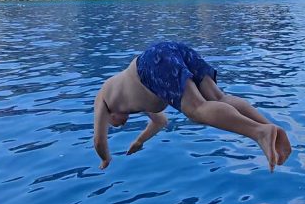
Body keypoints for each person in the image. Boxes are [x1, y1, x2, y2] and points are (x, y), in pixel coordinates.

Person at [93, 42, 292, 171]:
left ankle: (259, 133)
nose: (122, 123)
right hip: (170, 50)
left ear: (109, 117)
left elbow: (99, 141)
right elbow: (160, 121)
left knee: (197, 110)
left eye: (115, 124)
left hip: (151, 63)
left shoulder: (103, 97)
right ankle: (271, 131)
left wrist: (105, 160)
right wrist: (139, 141)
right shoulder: (132, 101)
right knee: (219, 98)